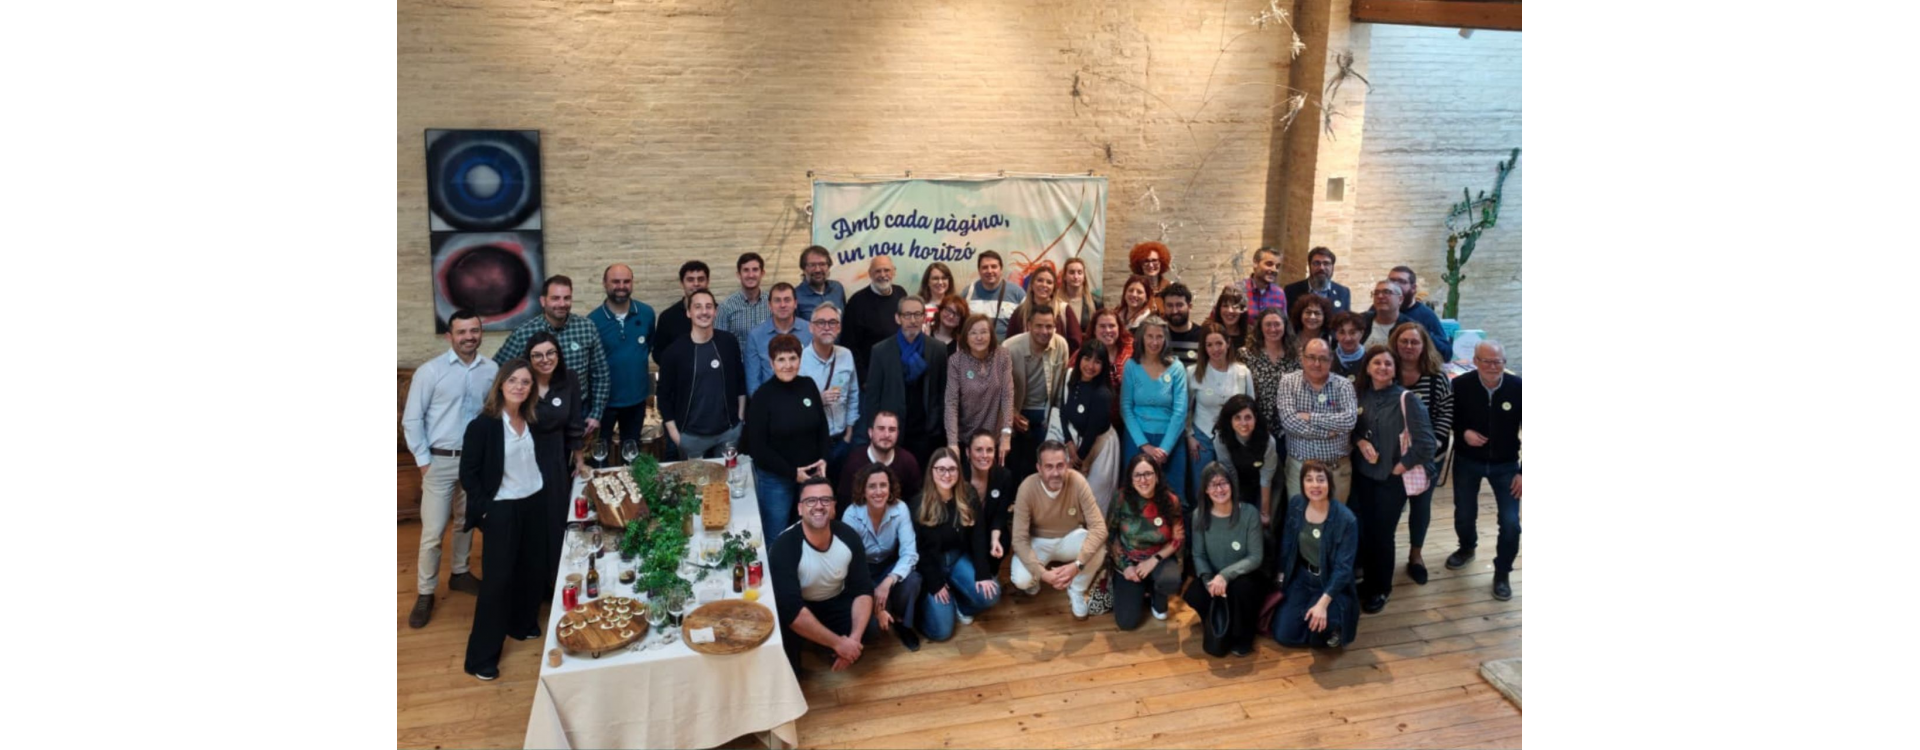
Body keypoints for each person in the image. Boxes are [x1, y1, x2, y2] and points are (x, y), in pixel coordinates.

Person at [401, 309, 497, 628]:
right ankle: (425, 592)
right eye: (461, 332)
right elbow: (412, 419)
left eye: (474, 331)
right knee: (433, 531)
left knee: (467, 522)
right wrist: (424, 462)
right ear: (449, 336)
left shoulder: (491, 370)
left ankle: (460, 573)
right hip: (439, 461)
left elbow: (492, 413)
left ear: (480, 333)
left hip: (474, 462)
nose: (469, 337)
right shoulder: (430, 372)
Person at [458, 360, 545, 681]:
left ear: (531, 388)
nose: (519, 386)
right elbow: (468, 473)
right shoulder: (483, 426)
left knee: (531, 570)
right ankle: (480, 657)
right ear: (500, 384)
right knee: (497, 582)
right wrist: (486, 510)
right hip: (502, 508)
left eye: (525, 382)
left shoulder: (531, 419)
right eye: (513, 380)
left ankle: (520, 624)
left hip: (533, 502)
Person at [1349, 344, 1436, 614]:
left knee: (1383, 534)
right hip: (1364, 476)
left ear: (1395, 369)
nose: (1382, 368)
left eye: (1388, 364)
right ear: (1367, 368)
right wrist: (1360, 440)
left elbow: (1426, 443)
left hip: (1391, 479)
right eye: (1377, 363)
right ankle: (1369, 582)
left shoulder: (1407, 399)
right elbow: (1352, 429)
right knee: (1366, 531)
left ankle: (1381, 588)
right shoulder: (1360, 396)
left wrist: (1400, 467)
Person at [770, 477, 877, 674]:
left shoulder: (849, 536)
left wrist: (853, 640)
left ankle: (824, 643)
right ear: (800, 508)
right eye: (811, 501)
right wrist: (839, 644)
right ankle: (822, 644)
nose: (819, 506)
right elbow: (792, 610)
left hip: (836, 601)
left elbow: (863, 589)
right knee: (787, 655)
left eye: (825, 500)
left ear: (834, 507)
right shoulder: (783, 547)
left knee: (871, 628)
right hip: (802, 607)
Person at [1446, 340, 1521, 602]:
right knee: (1464, 513)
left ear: (1504, 362)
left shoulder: (1519, 387)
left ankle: (1502, 572)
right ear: (1475, 361)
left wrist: (1523, 472)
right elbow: (1449, 418)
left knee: (1511, 523)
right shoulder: (1460, 385)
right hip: (1468, 460)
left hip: (1506, 464)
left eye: (1497, 361)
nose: (1492, 366)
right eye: (1486, 361)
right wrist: (1463, 432)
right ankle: (1467, 548)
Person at [493, 275, 610, 438]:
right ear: (543, 301)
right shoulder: (524, 332)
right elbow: (498, 371)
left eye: (566, 298)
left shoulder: (586, 327)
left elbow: (600, 373)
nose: (562, 304)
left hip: (578, 410)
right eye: (555, 298)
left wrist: (596, 414)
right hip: (537, 412)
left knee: (578, 454)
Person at [1010, 441, 1109, 620]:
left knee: (1099, 548)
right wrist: (1043, 574)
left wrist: (1077, 565)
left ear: (1067, 465)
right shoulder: (1027, 487)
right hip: (1038, 541)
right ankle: (1035, 579)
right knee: (1021, 580)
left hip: (1070, 536)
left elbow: (1100, 528)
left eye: (1060, 465)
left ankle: (1077, 589)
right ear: (1039, 468)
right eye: (1049, 467)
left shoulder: (1078, 481)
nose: (1055, 473)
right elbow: (1019, 539)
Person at [912, 447, 1003, 640]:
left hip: (957, 559)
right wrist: (935, 583)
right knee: (942, 632)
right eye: (941, 469)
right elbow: (919, 550)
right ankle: (929, 607)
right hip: (931, 566)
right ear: (931, 471)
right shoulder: (919, 503)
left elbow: (978, 536)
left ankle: (961, 604)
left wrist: (983, 573)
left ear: (959, 471)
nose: (947, 475)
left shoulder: (968, 494)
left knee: (991, 594)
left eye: (952, 469)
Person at [745, 333, 831, 535]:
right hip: (776, 480)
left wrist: (824, 459)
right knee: (777, 534)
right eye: (781, 359)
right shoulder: (762, 396)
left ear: (800, 360)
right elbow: (757, 448)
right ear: (771, 363)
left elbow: (822, 427)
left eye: (793, 358)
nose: (788, 365)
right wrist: (792, 473)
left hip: (811, 475)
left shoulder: (808, 385)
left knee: (812, 531)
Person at [1271, 459, 1359, 650]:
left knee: (1319, 636)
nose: (1315, 485)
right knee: (1283, 635)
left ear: (1329, 483)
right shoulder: (1296, 505)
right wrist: (1281, 574)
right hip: (1303, 577)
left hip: (1329, 582)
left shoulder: (1346, 520)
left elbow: (1343, 569)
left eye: (1320, 479)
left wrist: (1322, 604)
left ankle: (1335, 619)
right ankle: (1313, 621)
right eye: (1309, 479)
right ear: (1302, 483)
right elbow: (1287, 543)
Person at [523, 332, 588, 593]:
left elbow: (574, 423)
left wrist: (580, 460)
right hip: (525, 459)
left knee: (556, 519)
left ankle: (555, 579)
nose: (545, 359)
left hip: (557, 459)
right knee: (532, 522)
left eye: (550, 353)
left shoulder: (569, 379)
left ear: (558, 355)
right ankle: (533, 583)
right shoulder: (522, 382)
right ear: (529, 359)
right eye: (537, 355)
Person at [1391, 322, 1454, 586]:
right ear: (1395, 343)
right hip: (1393, 459)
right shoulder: (1387, 371)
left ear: (1423, 345)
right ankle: (1384, 556)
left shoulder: (1437, 377)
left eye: (1414, 342)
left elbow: (1445, 414)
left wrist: (1430, 447)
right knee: (1390, 509)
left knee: (1420, 507)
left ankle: (1416, 555)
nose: (1409, 346)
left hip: (1427, 458)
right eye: (1404, 341)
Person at [1183, 463, 1266, 657]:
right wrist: (1209, 581)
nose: (1219, 489)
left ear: (1232, 485)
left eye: (1223, 483)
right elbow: (1198, 554)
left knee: (1242, 590)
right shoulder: (1199, 515)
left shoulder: (1249, 513)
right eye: (1213, 485)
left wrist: (1225, 576)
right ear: (1205, 490)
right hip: (1214, 578)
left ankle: (1244, 634)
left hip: (1243, 575)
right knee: (1194, 594)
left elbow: (1255, 556)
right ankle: (1215, 621)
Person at [655, 289, 746, 459]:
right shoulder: (674, 352)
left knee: (729, 476)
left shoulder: (728, 342)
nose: (704, 312)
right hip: (691, 437)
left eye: (709, 306)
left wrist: (739, 418)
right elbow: (663, 395)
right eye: (698, 307)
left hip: (728, 433)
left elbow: (740, 380)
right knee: (695, 477)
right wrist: (675, 435)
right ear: (689, 312)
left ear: (715, 311)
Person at [842, 463, 923, 651]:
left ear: (890, 488)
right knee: (872, 632)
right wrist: (875, 600)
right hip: (862, 571)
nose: (878, 492)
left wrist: (888, 581)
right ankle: (885, 609)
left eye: (883, 485)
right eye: (872, 486)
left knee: (913, 579)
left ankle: (902, 623)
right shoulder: (851, 515)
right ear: (863, 490)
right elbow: (851, 565)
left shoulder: (900, 509)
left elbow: (910, 553)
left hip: (888, 567)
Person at [859, 295, 948, 463]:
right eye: (907, 315)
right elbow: (872, 396)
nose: (912, 320)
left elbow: (943, 391)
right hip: (892, 431)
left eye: (917, 314)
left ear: (924, 317)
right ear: (898, 318)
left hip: (926, 431)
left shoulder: (938, 349)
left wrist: (937, 422)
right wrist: (874, 430)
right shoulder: (881, 351)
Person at [1105, 454, 1185, 630]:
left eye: (1148, 473)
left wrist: (1154, 560)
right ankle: (1140, 587)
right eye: (1138, 475)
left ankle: (1157, 593)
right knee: (1126, 623)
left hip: (1159, 558)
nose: (1143, 480)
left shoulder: (1171, 500)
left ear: (1157, 476)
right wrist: (1125, 566)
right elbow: (1110, 535)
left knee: (1170, 581)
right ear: (1131, 478)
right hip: (1128, 558)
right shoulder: (1121, 498)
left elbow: (1178, 538)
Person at [586, 264, 656, 458]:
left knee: (632, 454)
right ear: (604, 283)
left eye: (626, 281)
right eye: (615, 281)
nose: (621, 286)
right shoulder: (592, 321)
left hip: (637, 399)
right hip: (603, 403)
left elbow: (648, 345)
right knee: (599, 454)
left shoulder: (647, 314)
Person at [1276, 339, 1357, 503]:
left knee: (1335, 516)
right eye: (1311, 357)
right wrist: (1327, 433)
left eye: (1323, 359)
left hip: (1336, 468)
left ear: (1331, 360)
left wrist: (1310, 417)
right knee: (1300, 514)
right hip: (1299, 468)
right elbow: (1289, 421)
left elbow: (1349, 420)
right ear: (1302, 358)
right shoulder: (1288, 382)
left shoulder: (1344, 385)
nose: (1317, 364)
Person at [1120, 315, 1190, 499]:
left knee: (1172, 497)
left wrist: (1165, 448)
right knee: (1135, 495)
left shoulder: (1176, 368)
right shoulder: (1131, 366)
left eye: (1159, 337)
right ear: (1142, 338)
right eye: (1150, 336)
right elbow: (1125, 407)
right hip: (1138, 438)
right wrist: (1144, 445)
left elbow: (1180, 411)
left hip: (1170, 439)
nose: (1154, 342)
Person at [1047, 339, 1120, 515]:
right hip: (1076, 440)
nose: (1090, 366)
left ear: (1103, 366)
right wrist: (1069, 442)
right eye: (1087, 359)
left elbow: (1091, 434)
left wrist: (1077, 460)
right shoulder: (1071, 378)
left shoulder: (1102, 394)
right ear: (1079, 359)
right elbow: (1063, 411)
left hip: (1101, 445)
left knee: (1095, 499)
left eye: (1097, 362)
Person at [1186, 325, 1253, 503]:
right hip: (1202, 438)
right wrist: (1189, 436)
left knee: (1231, 487)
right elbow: (1185, 408)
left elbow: (1251, 408)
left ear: (1228, 343)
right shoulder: (1193, 372)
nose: (1215, 349)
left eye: (1219, 343)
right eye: (1209, 345)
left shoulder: (1242, 372)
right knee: (1202, 488)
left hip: (1234, 438)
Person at [1004, 306, 1070, 483]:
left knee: (1045, 466)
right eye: (1039, 326)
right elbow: (1000, 388)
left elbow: (1061, 386)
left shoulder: (1061, 345)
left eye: (1049, 326)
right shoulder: (1010, 348)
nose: (1044, 331)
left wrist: (1056, 418)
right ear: (1029, 326)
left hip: (1045, 413)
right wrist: (1011, 413)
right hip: (1017, 409)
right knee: (1014, 468)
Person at [800, 302, 861, 479]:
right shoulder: (800, 360)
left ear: (839, 327)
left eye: (832, 322)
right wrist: (817, 400)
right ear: (811, 327)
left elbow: (853, 394)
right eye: (821, 322)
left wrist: (849, 433)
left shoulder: (846, 355)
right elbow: (793, 405)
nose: (827, 327)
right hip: (813, 444)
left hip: (842, 440)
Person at [944, 312, 1014, 465]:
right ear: (965, 337)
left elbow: (1007, 396)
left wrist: (1006, 434)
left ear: (991, 335)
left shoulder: (1003, 355)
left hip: (995, 436)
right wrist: (952, 442)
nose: (979, 337)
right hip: (966, 436)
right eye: (973, 333)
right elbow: (951, 402)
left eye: (983, 332)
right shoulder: (956, 361)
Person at [1212, 394, 1279, 524]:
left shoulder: (1268, 441)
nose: (1243, 423)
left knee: (1266, 520)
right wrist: (1235, 507)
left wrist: (1264, 512)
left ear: (1255, 418)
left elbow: (1266, 478)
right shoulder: (1221, 439)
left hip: (1267, 482)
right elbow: (1229, 472)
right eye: (1237, 418)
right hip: (1238, 480)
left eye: (1248, 417)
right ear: (1230, 420)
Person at [963, 428, 1018, 580]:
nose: (984, 455)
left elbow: (1000, 515)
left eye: (989, 450)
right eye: (978, 450)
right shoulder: (959, 475)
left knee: (1003, 540)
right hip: (965, 532)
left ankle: (993, 573)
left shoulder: (1004, 476)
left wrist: (995, 540)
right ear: (968, 452)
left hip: (991, 528)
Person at [1240, 308, 1296, 452]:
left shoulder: (1295, 356)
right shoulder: (1246, 355)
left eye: (1277, 324)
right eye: (1268, 324)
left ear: (1285, 326)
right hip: (1256, 427)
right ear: (1260, 327)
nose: (1273, 329)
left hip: (1288, 428)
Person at [839, 411, 923, 506]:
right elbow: (845, 502)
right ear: (870, 432)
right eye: (881, 429)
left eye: (892, 430)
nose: (886, 435)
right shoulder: (854, 462)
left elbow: (915, 502)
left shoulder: (908, 462)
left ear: (897, 434)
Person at [842, 255, 903, 381]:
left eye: (887, 270)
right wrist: (864, 378)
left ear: (894, 272)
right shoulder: (856, 302)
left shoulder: (901, 294)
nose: (883, 275)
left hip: (899, 372)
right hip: (871, 375)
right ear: (870, 274)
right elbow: (849, 344)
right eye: (877, 271)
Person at [744, 282, 812, 393]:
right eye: (777, 300)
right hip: (769, 399)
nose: (782, 305)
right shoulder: (756, 335)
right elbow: (753, 382)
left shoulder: (810, 331)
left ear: (795, 303)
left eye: (787, 300)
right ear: (769, 305)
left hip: (805, 395)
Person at [1006, 263, 1082, 350]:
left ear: (1054, 288)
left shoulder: (1064, 310)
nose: (1044, 285)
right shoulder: (1020, 312)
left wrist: (1062, 356)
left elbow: (1076, 343)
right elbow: (1009, 342)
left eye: (1049, 282)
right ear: (1032, 285)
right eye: (1040, 280)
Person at [650, 261, 710, 369]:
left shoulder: (718, 312)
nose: (696, 284)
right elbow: (658, 353)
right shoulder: (667, 317)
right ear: (682, 283)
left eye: (701, 279)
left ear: (708, 282)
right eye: (690, 280)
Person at [1389, 265, 1453, 359]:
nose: (1395, 286)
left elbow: (1446, 353)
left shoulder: (1426, 315)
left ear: (1413, 288)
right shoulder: (1378, 309)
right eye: (1391, 281)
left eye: (1401, 282)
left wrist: (1422, 333)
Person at [964, 250, 1026, 338]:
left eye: (994, 266)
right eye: (985, 267)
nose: (989, 271)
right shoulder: (968, 293)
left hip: (1008, 346)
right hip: (975, 345)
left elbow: (1028, 324)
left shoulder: (1018, 293)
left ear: (1001, 269)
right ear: (979, 270)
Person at [1282, 246, 1353, 315]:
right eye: (1316, 263)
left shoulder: (1343, 292)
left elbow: (1345, 320)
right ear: (1309, 266)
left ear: (1332, 267)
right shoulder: (1291, 291)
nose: (1321, 268)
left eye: (1326, 263)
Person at [717, 252, 770, 338]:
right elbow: (720, 340)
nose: (751, 275)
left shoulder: (772, 303)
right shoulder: (726, 307)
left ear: (762, 273)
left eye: (755, 269)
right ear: (738, 274)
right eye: (746, 270)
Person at [794, 245, 847, 321]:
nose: (817, 270)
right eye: (812, 265)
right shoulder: (795, 296)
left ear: (828, 267)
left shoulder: (838, 288)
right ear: (804, 269)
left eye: (822, 264)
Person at [1359, 279, 1416, 348]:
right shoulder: (1360, 321)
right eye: (1376, 293)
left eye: (1387, 292)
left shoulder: (1410, 328)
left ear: (1400, 299)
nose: (1380, 296)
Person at [1159, 283, 1203, 368]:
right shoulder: (1158, 336)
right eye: (1169, 305)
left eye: (1179, 305)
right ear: (1164, 307)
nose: (1174, 311)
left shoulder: (1203, 336)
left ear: (1189, 306)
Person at [1058, 257, 1099, 342]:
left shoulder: (1096, 302)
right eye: (1072, 272)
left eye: (1079, 273)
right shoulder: (1056, 302)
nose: (1076, 276)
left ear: (1084, 277)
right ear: (1064, 276)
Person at [1242, 245, 1288, 321]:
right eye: (1269, 264)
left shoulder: (1279, 293)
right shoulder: (1239, 290)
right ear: (1255, 263)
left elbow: (1284, 322)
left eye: (1277, 266)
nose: (1274, 270)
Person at [1289, 293, 1334, 360]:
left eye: (1317, 313)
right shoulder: (1290, 337)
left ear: (1325, 317)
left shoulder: (1331, 340)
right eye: (1308, 312)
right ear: (1300, 314)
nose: (1312, 317)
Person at [1205, 287, 1250, 352]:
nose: (1230, 310)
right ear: (1219, 309)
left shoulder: (1251, 335)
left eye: (1235, 307)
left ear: (1242, 310)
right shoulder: (1208, 331)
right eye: (1225, 306)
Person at [1329, 312, 1369, 377]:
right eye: (1342, 333)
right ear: (1336, 335)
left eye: (1352, 333)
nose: (1347, 338)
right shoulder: (1328, 360)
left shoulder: (1370, 360)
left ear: (1361, 333)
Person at [916, 262, 956, 326]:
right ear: (927, 282)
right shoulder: (918, 306)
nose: (940, 282)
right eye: (935, 278)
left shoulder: (956, 306)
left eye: (944, 278)